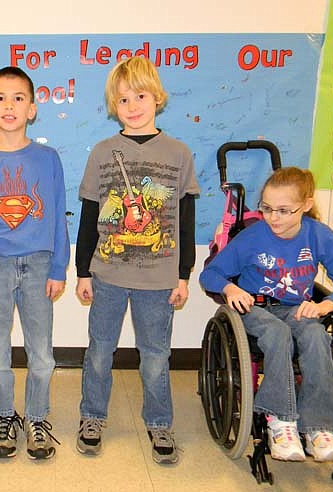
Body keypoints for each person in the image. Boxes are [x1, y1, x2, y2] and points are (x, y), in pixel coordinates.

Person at [75, 56, 199, 464]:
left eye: (140, 96)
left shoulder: (178, 153)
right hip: (108, 273)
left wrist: (183, 275)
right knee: (99, 350)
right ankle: (92, 416)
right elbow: (91, 215)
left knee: (156, 355)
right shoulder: (103, 152)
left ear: (157, 98)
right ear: (114, 105)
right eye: (124, 99)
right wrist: (82, 271)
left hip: (160, 277)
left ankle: (160, 421)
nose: (133, 105)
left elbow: (185, 219)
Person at [199, 166, 333, 463]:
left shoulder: (319, 236)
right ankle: (280, 422)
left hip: (295, 308)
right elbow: (211, 274)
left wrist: (327, 305)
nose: (273, 217)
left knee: (315, 335)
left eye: (284, 210)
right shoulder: (253, 236)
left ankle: (321, 428)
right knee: (277, 334)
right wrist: (230, 289)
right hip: (255, 308)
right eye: (267, 208)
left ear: (306, 205)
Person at [0, 67, 69, 460]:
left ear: (33, 108)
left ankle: (37, 417)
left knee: (41, 351)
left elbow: (57, 215)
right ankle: (6, 416)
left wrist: (59, 267)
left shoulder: (47, 158)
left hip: (40, 265)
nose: (9, 105)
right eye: (1, 98)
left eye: (18, 98)